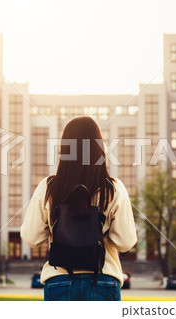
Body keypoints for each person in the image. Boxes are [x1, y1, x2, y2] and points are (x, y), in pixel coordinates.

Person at [21, 116, 137, 301]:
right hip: (103, 281)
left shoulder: (48, 187)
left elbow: (31, 238)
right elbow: (126, 242)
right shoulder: (113, 189)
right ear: (99, 149)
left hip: (59, 281)